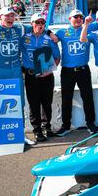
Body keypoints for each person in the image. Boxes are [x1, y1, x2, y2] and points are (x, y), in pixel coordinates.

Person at [0, 0, 52, 146]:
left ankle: (19, 134)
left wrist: (50, 33)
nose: (10, 18)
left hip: (16, 72)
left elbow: (36, 27)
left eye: (12, 15)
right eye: (7, 16)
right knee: (0, 104)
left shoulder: (19, 29)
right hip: (1, 73)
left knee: (20, 103)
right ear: (0, 17)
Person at [55, 9, 98, 136]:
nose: (78, 19)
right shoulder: (62, 32)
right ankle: (66, 126)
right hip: (67, 71)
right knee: (66, 99)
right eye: (75, 17)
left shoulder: (88, 28)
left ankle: (91, 124)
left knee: (88, 98)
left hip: (83, 70)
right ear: (69, 19)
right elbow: (50, 40)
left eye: (80, 17)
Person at [21, 13, 60, 142]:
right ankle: (37, 131)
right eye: (37, 22)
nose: (40, 25)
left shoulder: (49, 38)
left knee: (47, 103)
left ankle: (47, 128)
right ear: (32, 24)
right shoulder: (24, 37)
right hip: (31, 75)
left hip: (47, 76)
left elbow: (57, 57)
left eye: (42, 23)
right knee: (34, 104)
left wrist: (49, 71)